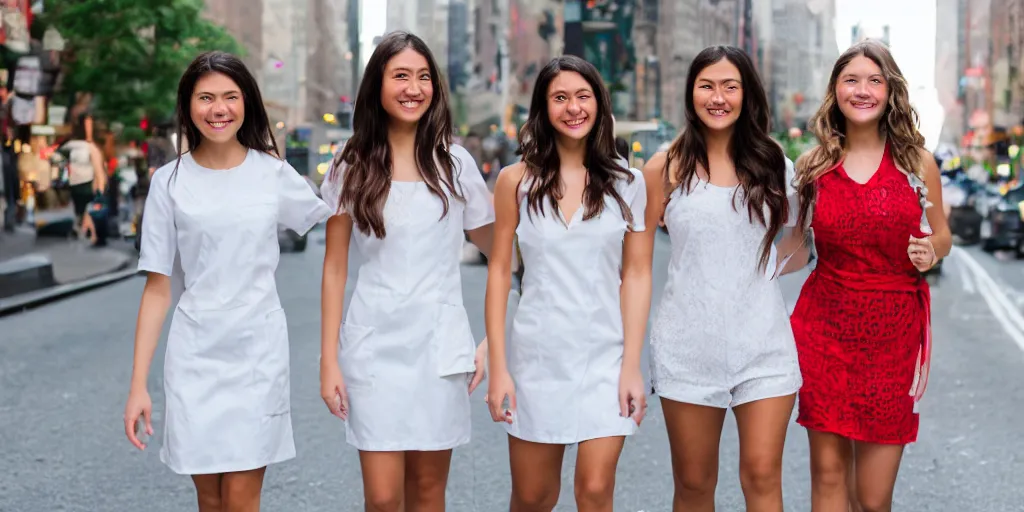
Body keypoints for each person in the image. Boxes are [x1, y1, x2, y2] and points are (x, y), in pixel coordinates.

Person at [123, 51, 331, 511]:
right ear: (188, 105)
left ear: (247, 103)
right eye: (206, 97)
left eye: (230, 97)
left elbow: (332, 211)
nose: (219, 109)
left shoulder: (272, 173)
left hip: (257, 352)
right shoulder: (168, 183)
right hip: (195, 354)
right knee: (210, 499)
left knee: (241, 498)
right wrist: (138, 385)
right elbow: (157, 287)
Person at [318, 31, 493, 512]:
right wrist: (328, 358)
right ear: (377, 85)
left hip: (439, 347)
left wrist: (497, 337)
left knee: (428, 494)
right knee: (382, 497)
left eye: (423, 77)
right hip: (373, 345)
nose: (413, 87)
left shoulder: (455, 164)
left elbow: (507, 256)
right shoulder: (349, 164)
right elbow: (334, 269)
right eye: (400, 76)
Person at [781, 39, 951, 511]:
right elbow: (793, 247)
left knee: (874, 500)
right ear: (835, 90)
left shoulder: (917, 162)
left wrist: (930, 251)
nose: (862, 90)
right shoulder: (814, 167)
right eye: (851, 80)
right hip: (824, 330)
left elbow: (943, 235)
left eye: (874, 80)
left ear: (890, 91)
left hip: (893, 335)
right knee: (829, 479)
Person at [485, 55, 654, 512]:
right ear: (543, 109)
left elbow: (637, 274)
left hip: (605, 357)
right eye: (560, 98)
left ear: (599, 105)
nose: (573, 108)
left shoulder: (628, 183)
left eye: (583, 97)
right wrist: (498, 365)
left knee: (595, 491)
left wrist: (633, 365)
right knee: (534, 496)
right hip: (537, 357)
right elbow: (500, 271)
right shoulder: (514, 182)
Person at [642, 45, 802, 512]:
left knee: (762, 475)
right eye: (707, 86)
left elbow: (800, 238)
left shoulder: (774, 162)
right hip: (686, 346)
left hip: (765, 345)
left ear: (746, 94)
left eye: (730, 86)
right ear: (691, 93)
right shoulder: (664, 167)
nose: (718, 97)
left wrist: (762, 273)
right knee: (693, 485)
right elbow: (634, 261)